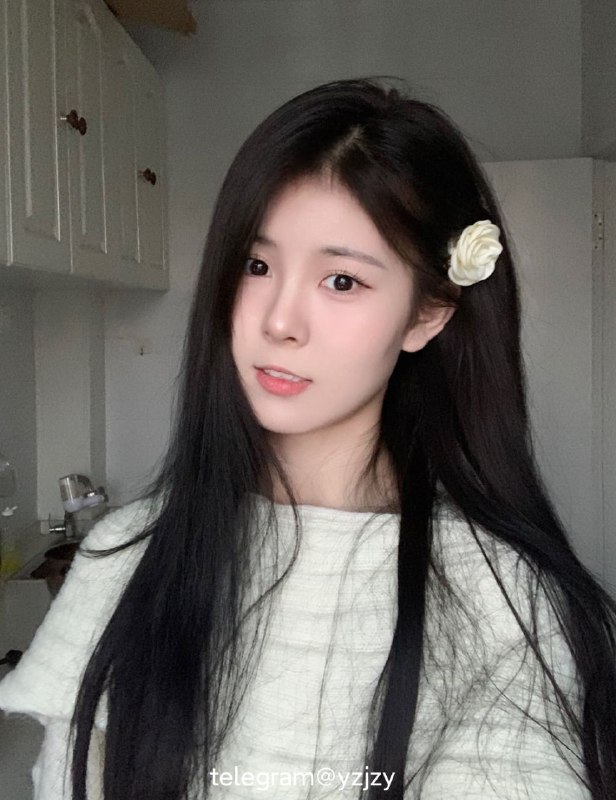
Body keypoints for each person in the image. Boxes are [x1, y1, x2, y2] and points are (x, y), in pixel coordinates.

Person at [0, 77, 614, 800]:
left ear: (427, 315)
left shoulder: (503, 600)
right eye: (256, 266)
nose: (279, 321)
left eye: (342, 281)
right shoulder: (125, 554)